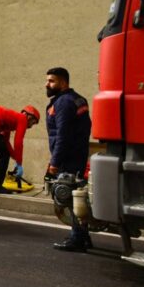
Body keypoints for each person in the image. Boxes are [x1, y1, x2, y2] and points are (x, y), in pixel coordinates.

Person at [46, 67, 93, 252]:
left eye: (51, 81)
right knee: (78, 197)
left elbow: (62, 135)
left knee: (69, 197)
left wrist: (55, 162)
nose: (47, 84)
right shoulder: (78, 99)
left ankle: (77, 239)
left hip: (68, 158)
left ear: (63, 82)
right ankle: (83, 236)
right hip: (78, 154)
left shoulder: (64, 102)